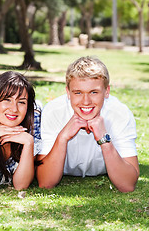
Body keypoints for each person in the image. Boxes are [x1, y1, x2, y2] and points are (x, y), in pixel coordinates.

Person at [36, 56, 139, 192]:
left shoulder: (120, 113)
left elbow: (127, 184)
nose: (86, 101)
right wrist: (63, 137)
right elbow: (46, 182)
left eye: (94, 92)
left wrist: (104, 139)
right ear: (68, 92)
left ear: (106, 91)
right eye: (78, 92)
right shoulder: (53, 111)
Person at [0, 71, 41, 193]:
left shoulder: (33, 122)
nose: (14, 109)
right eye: (7, 99)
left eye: (21, 102)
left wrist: (29, 142)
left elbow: (21, 185)